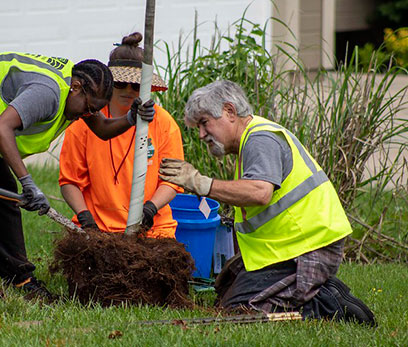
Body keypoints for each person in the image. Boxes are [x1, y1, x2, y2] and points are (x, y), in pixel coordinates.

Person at [0, 52, 155, 298]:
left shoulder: (79, 94)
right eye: (87, 107)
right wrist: (28, 183)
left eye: (93, 110)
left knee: (5, 202)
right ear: (76, 87)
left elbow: (103, 129)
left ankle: (21, 279)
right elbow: (2, 128)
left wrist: (130, 118)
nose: (87, 114)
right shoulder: (48, 93)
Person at [159, 80, 376, 325]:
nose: (200, 135)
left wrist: (201, 183)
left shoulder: (260, 139)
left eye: (204, 123)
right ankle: (310, 288)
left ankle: (326, 301)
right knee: (225, 291)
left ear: (229, 112)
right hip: (286, 246)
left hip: (307, 247)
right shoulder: (250, 140)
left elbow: (260, 192)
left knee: (244, 312)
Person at [59, 33, 184, 238]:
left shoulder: (163, 123)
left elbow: (172, 180)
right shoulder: (84, 123)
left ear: (146, 86)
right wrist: (85, 219)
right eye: (120, 84)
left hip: (152, 231)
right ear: (109, 84)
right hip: (98, 229)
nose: (128, 90)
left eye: (136, 85)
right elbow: (69, 181)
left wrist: (151, 209)